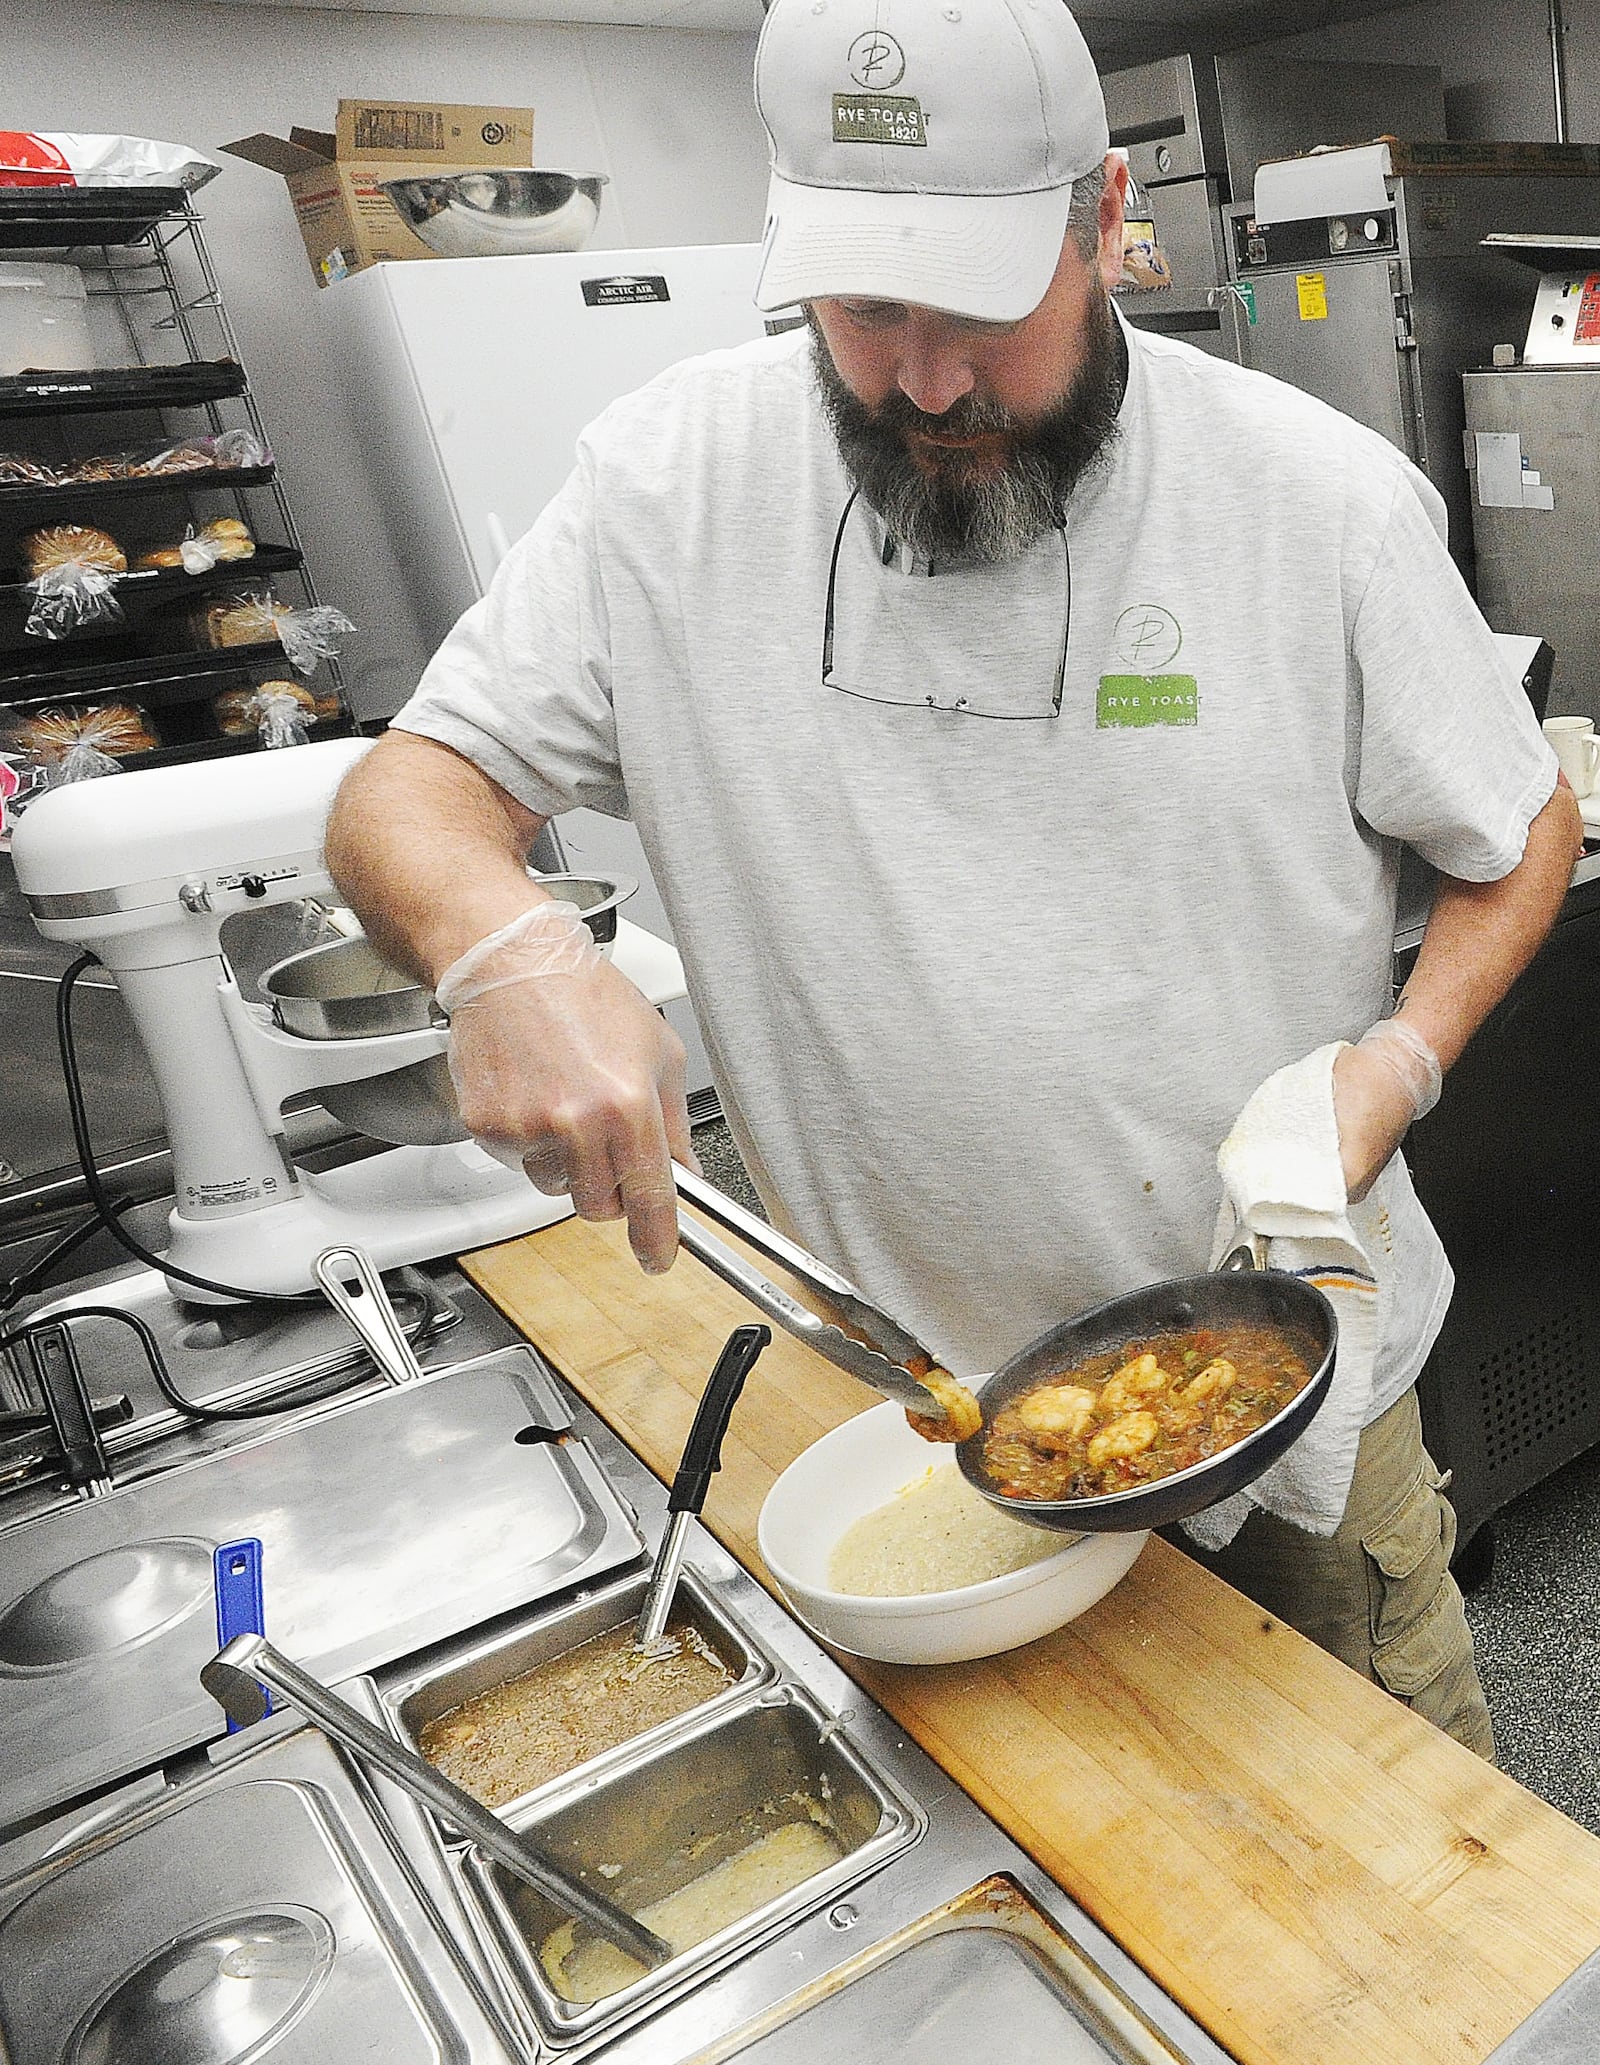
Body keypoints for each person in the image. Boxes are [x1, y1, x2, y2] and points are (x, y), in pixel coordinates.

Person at [326, 0, 1580, 1757]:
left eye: (981, 305)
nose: (922, 378)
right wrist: (503, 949)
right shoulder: (667, 485)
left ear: (1101, 218)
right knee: (1053, 1872)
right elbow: (407, 792)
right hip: (911, 1403)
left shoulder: (1316, 503)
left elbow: (1526, 832)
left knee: (1403, 1884)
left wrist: (1399, 1059)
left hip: (1286, 1377)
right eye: (861, 306)